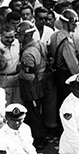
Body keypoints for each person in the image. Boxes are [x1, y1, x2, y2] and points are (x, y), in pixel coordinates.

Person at [16, 21, 46, 150]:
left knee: (33, 114)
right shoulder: (38, 44)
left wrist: (18, 72)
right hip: (39, 85)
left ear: (26, 36)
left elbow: (30, 75)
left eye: (20, 34)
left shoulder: (28, 53)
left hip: (31, 87)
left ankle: (38, 140)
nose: (18, 37)